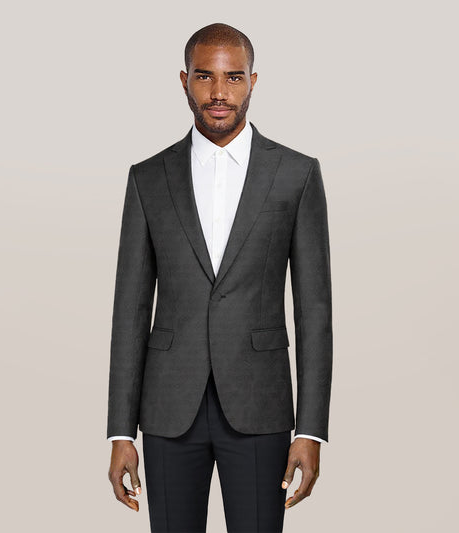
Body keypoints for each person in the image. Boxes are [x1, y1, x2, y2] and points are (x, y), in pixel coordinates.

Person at [107, 22, 333, 533]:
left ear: (253, 81)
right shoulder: (148, 177)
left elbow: (314, 311)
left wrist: (311, 430)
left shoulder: (296, 174)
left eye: (233, 78)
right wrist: (120, 431)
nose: (218, 92)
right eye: (205, 76)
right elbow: (130, 309)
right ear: (184, 80)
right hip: (168, 407)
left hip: (260, 404)